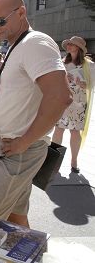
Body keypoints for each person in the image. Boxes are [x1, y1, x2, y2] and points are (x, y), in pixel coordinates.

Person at [0, 0, 72, 227]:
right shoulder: (20, 44)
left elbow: (60, 96)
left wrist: (25, 141)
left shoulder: (34, 43)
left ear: (21, 13)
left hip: (16, 149)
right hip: (12, 147)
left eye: (0, 21)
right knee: (16, 219)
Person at [52, 36, 95, 174]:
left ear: (79, 48)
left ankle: (74, 160)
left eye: (72, 44)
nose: (69, 46)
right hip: (64, 100)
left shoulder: (89, 65)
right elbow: (55, 81)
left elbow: (91, 85)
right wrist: (65, 78)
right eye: (68, 44)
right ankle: (54, 160)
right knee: (59, 129)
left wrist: (82, 84)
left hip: (79, 103)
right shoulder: (62, 62)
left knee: (75, 131)